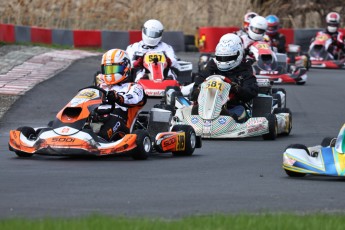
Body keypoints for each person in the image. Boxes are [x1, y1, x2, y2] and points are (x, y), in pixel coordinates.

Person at [192, 34, 259, 121]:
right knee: (189, 109)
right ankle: (206, 116)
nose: (223, 61)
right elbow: (195, 89)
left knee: (239, 111)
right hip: (207, 104)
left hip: (232, 106)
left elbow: (251, 92)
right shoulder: (212, 65)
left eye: (228, 57)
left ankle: (228, 119)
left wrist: (236, 88)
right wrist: (199, 88)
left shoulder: (245, 67)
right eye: (221, 57)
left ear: (238, 54)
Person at [94, 48, 147, 141]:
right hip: (98, 116)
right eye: (107, 69)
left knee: (113, 119)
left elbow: (133, 98)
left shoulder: (134, 87)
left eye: (114, 69)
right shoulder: (101, 87)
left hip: (121, 122)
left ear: (125, 68)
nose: (110, 72)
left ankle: (99, 140)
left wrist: (118, 97)